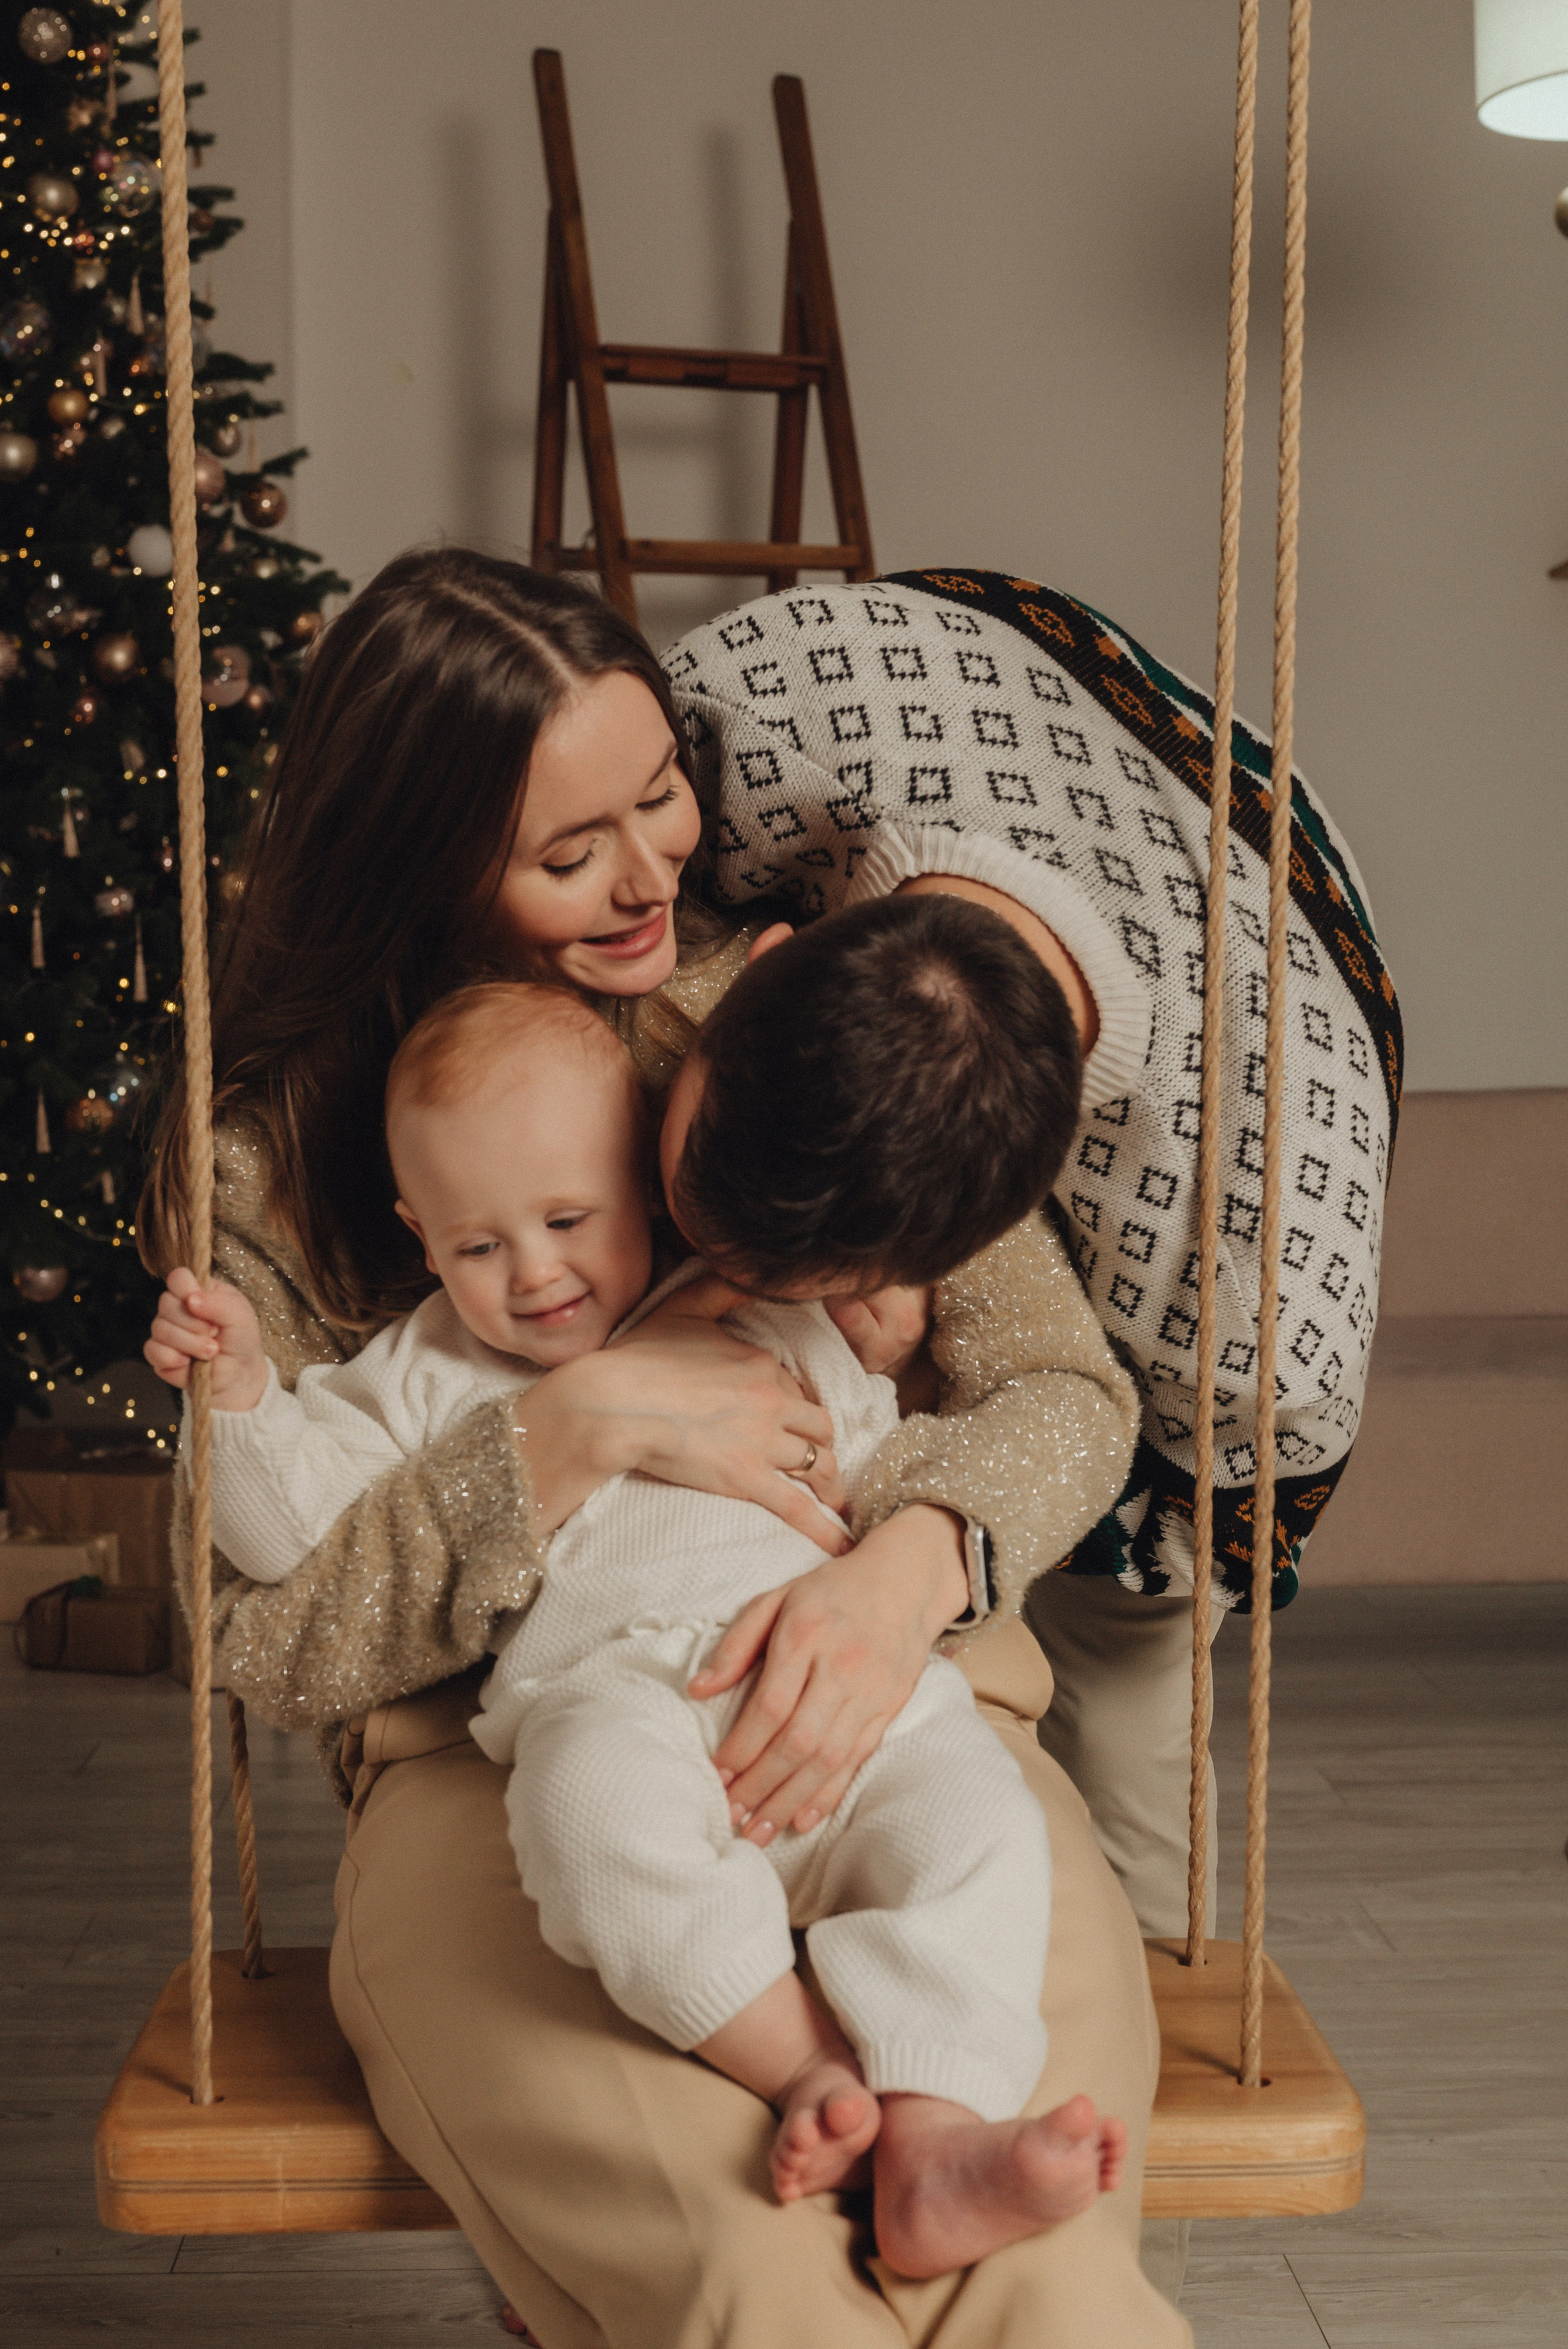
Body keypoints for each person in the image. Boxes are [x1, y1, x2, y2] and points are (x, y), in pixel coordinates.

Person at [142, 544, 1192, 2348]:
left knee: (1049, 2275)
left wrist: (898, 1570)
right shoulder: (274, 1165)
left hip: (897, 1712)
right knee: (762, 2283)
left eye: (662, 799)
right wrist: (566, 1427)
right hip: (516, 1780)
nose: (655, 877)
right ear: (425, 860)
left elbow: (1064, 1391)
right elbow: (255, 1628)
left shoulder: (779, 1023)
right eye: (573, 851)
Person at [147, 970, 1132, 2275]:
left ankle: (939, 2139)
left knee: (977, 1829)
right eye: (478, 1245)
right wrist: (246, 1396)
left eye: (568, 1219)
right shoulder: (421, 1370)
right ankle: (804, 2069)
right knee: (585, 1817)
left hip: (849, 1682)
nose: (535, 1273)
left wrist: (895, 1385)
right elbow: (284, 1545)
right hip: (615, 1696)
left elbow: (925, 1438)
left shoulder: (770, 1296)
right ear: (421, 1233)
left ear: (649, 1182)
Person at [662, 567, 1402, 1944]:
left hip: (1274, 979)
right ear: (762, 960)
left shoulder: (1256, 1286)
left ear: (962, 1249)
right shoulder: (760, 704)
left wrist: (930, 1554)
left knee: (1123, 1768)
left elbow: (1181, 1470)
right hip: (982, 718)